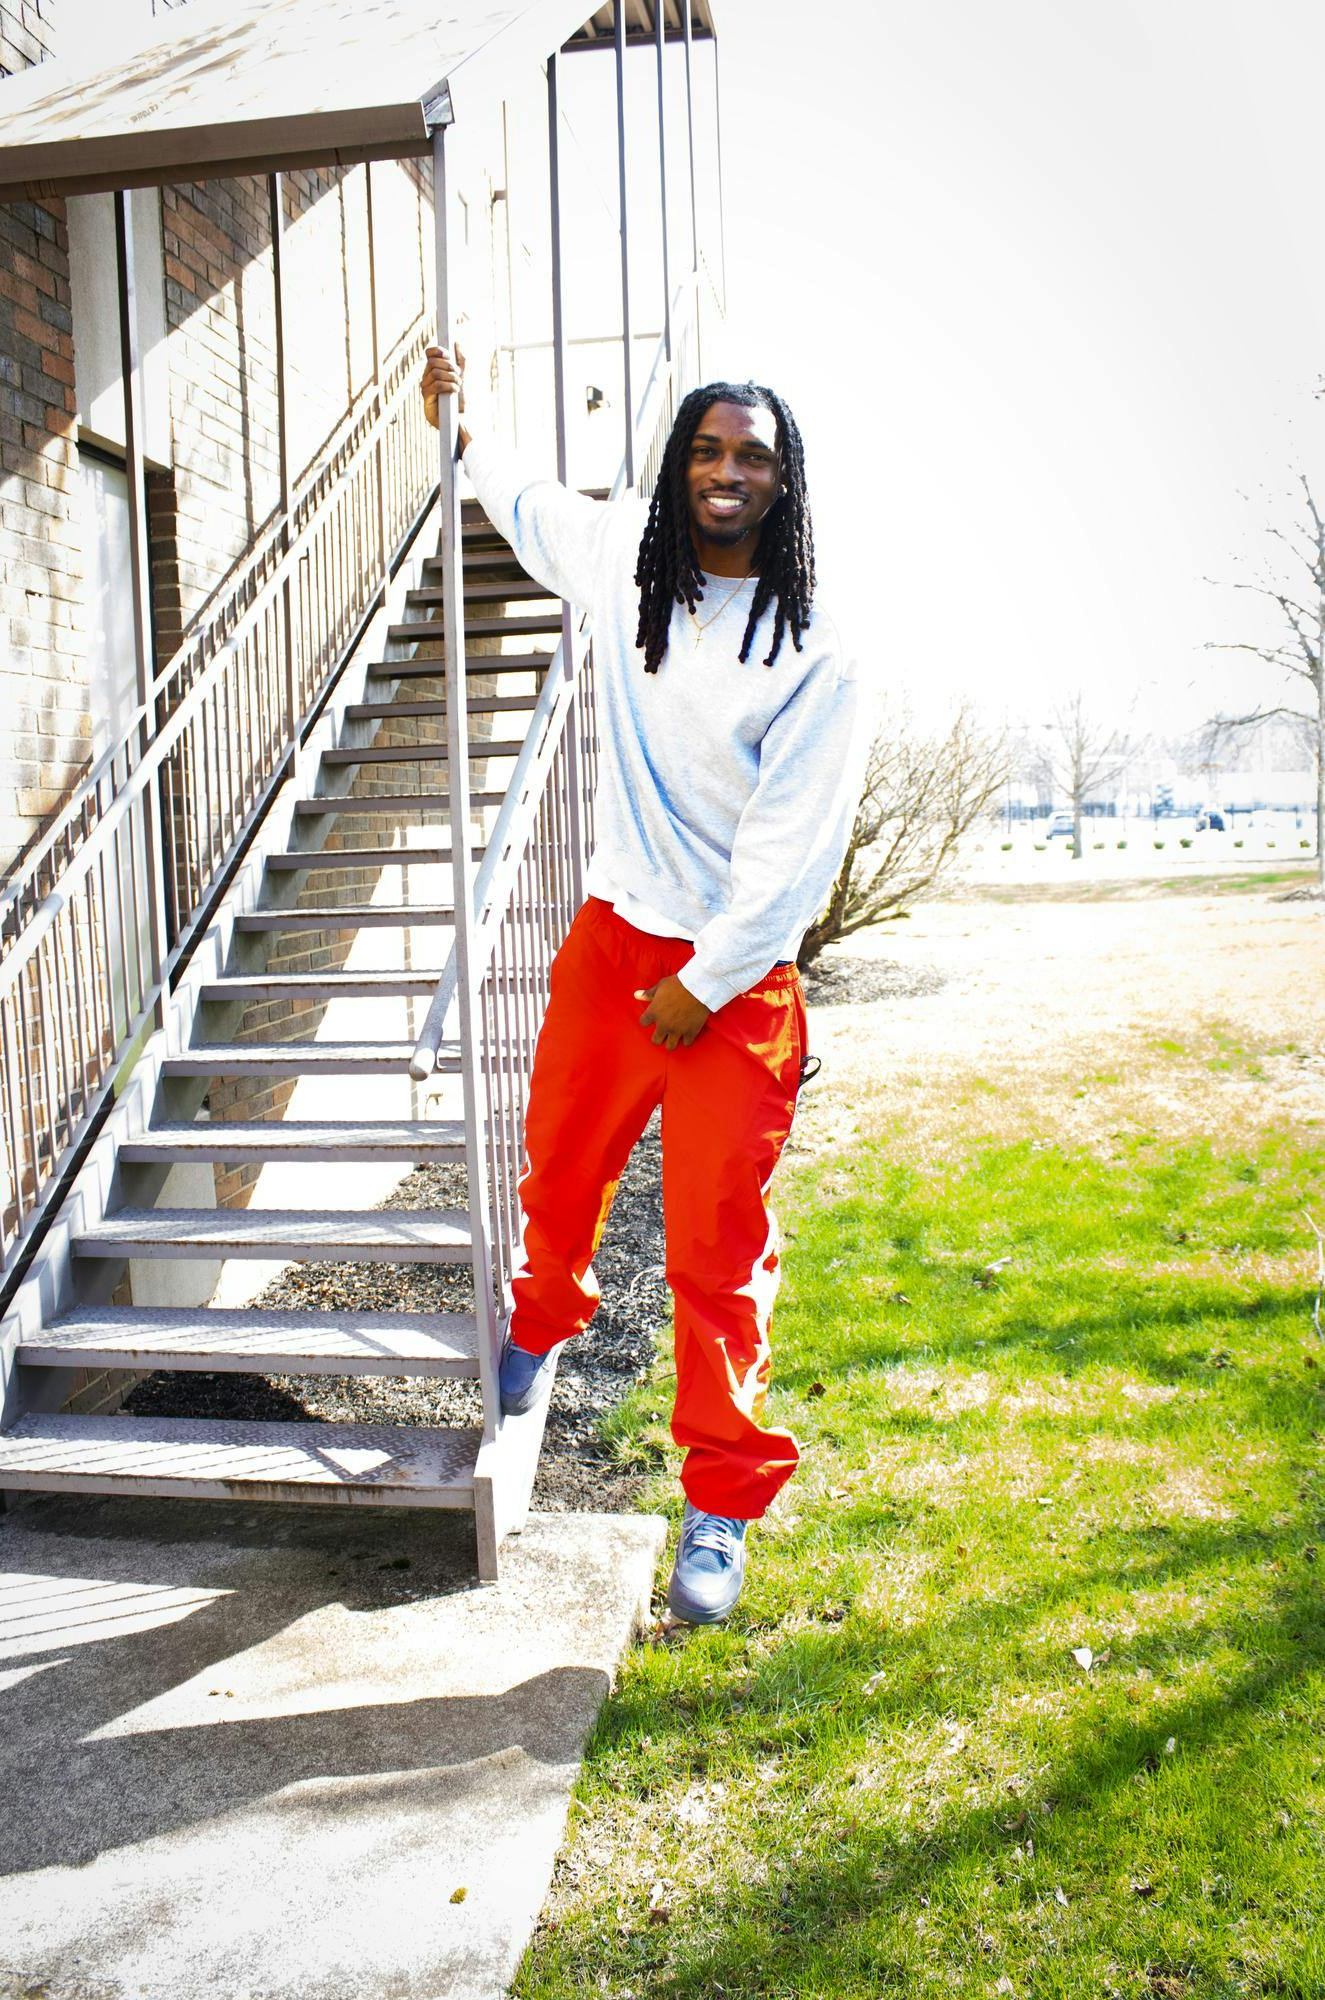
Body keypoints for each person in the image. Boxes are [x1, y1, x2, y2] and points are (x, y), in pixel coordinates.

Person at [421, 343, 870, 1623]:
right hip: (615, 941)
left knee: (714, 1254)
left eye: (755, 459)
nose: (728, 473)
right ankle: (546, 1307)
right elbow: (514, 496)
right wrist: (463, 419)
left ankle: (719, 1503)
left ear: (783, 487)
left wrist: (709, 982)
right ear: (680, 465)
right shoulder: (624, 560)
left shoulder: (816, 650)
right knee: (556, 1158)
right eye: (709, 451)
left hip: (736, 984)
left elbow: (792, 861)